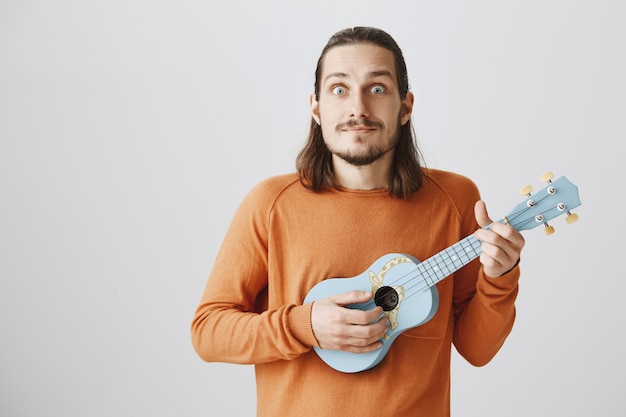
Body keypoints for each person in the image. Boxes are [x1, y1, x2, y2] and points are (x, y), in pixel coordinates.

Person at [191, 26, 525, 417]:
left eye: (378, 88)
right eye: (339, 89)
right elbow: (208, 332)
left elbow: (477, 350)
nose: (358, 108)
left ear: (405, 107)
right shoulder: (269, 204)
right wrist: (305, 325)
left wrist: (502, 277)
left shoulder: (455, 199)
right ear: (316, 108)